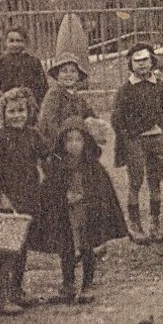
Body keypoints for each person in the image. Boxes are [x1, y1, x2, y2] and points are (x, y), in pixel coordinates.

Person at [37, 120, 127, 304]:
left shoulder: (92, 167)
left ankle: (87, 285)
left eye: (78, 139)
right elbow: (50, 191)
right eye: (69, 140)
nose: (74, 144)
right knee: (66, 250)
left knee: (87, 248)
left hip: (86, 215)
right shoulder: (57, 166)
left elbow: (101, 191)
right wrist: (63, 198)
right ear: (62, 142)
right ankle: (68, 285)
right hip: (65, 216)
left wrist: (86, 198)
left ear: (86, 141)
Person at [0, 87, 50, 315]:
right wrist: (1, 197)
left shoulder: (33, 135)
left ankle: (17, 290)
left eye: (21, 111)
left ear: (29, 112)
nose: (17, 115)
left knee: (23, 246)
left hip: (29, 196)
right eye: (12, 111)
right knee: (8, 249)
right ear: (4, 114)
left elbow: (46, 154)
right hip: (8, 199)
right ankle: (3, 296)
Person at [111, 44, 163, 245]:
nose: (142, 65)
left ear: (152, 61)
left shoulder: (160, 85)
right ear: (131, 64)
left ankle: (155, 223)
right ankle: (135, 225)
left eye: (145, 60)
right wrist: (130, 135)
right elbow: (117, 119)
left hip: (156, 138)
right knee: (136, 181)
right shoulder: (126, 89)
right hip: (136, 140)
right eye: (137, 61)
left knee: (155, 181)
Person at [38, 54, 99, 150]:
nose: (68, 74)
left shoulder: (78, 98)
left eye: (73, 71)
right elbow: (49, 123)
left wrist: (94, 125)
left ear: (78, 76)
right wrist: (63, 140)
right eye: (64, 71)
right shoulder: (53, 95)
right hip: (57, 144)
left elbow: (90, 115)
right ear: (57, 75)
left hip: (75, 142)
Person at [0, 28, 49, 109]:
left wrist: (37, 101)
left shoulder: (33, 62)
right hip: (9, 103)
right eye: (11, 41)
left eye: (19, 41)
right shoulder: (1, 62)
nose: (15, 44)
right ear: (6, 42)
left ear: (25, 42)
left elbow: (42, 85)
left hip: (29, 104)